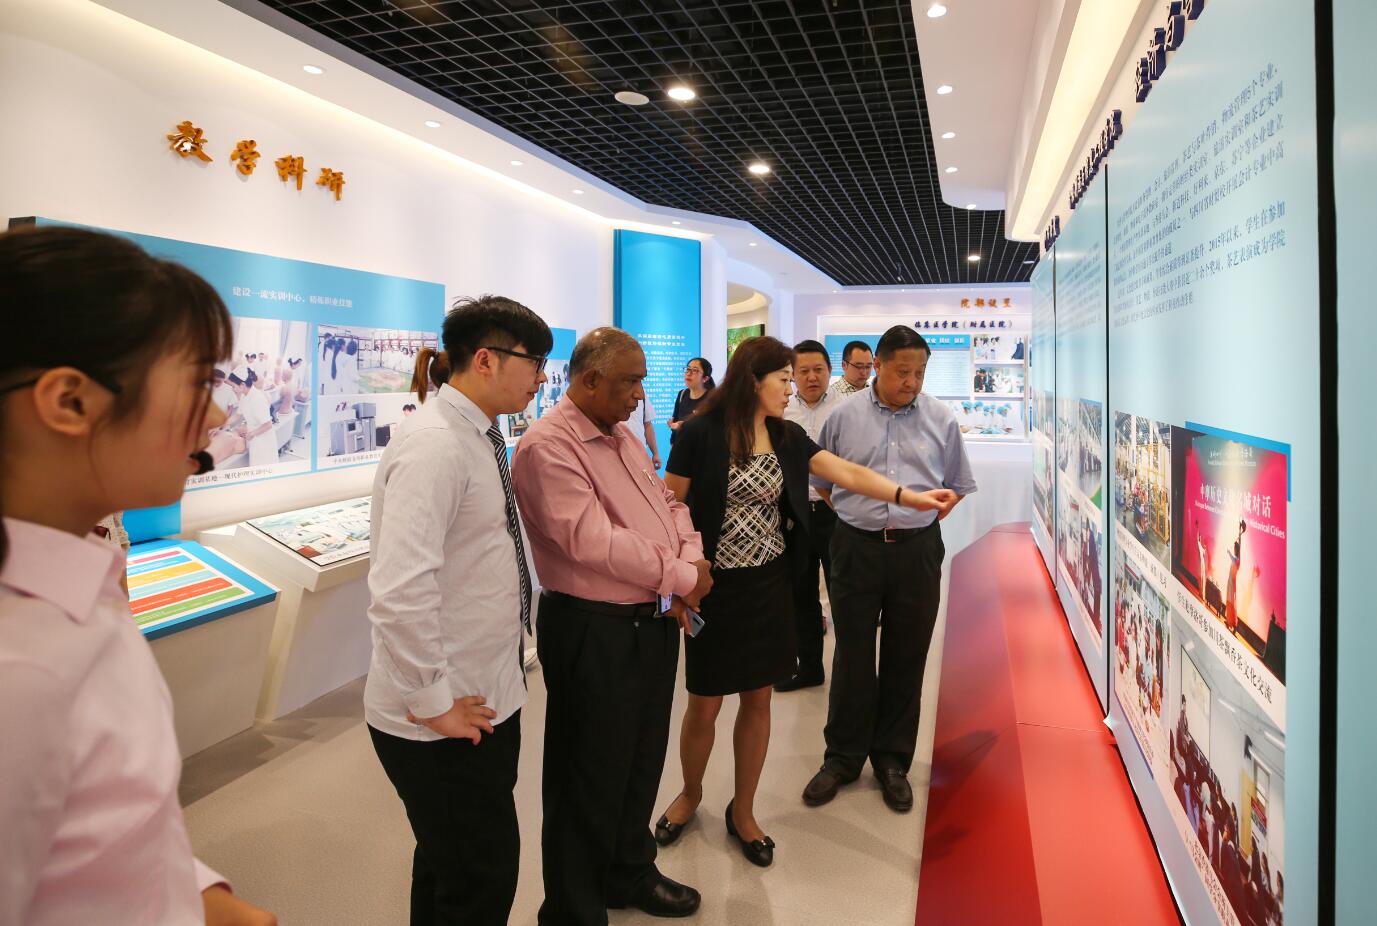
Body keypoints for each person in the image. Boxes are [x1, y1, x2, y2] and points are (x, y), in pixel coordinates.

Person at [0, 225, 276, 925]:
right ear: (70, 402)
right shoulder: (20, 669)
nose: (217, 415)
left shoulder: (80, 587)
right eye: (198, 383)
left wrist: (200, 897)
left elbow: (99, 827)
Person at [653, 337, 956, 868]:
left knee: (759, 700)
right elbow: (670, 506)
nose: (791, 389)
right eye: (783, 379)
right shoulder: (701, 433)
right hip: (712, 590)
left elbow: (847, 473)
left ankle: (744, 810)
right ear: (753, 380)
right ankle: (690, 793)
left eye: (793, 379)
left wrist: (908, 497)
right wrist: (675, 582)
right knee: (704, 702)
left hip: (769, 586)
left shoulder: (786, 436)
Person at [512, 328, 711, 924]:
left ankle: (628, 871)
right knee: (587, 775)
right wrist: (682, 575)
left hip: (650, 622)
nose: (640, 394)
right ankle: (573, 909)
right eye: (630, 381)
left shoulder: (620, 435)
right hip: (593, 629)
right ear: (590, 379)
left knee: (641, 759)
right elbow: (591, 541)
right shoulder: (548, 447)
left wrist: (692, 556)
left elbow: (669, 504)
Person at [365, 295, 551, 926]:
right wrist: (434, 701)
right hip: (442, 717)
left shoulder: (478, 435)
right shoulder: (437, 445)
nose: (540, 377)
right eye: (534, 362)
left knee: (449, 867)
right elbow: (399, 590)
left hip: (483, 690)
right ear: (486, 360)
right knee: (479, 877)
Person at [803, 325, 978, 813]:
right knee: (852, 655)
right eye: (903, 372)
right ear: (877, 365)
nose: (912, 382)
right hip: (855, 549)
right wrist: (856, 517)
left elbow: (958, 484)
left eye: (920, 373)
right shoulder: (843, 417)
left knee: (908, 653)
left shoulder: (941, 418)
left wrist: (922, 518)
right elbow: (823, 482)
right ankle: (842, 757)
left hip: (916, 552)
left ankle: (893, 760)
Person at [777, 339, 842, 691]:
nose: (812, 377)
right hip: (796, 515)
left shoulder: (845, 409)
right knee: (800, 595)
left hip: (836, 514)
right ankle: (809, 668)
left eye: (818, 370)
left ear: (830, 371)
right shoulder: (781, 410)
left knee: (843, 594)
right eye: (803, 371)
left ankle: (848, 672)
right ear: (792, 375)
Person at [228, 366, 276, 467]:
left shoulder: (257, 399)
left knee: (263, 467)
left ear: (242, 385)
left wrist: (252, 433)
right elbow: (237, 415)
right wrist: (220, 425)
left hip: (263, 439)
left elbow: (268, 425)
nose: (233, 389)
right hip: (254, 437)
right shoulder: (244, 396)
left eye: (233, 386)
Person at [667, 356, 713, 442]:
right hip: (682, 445)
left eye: (695, 370)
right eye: (688, 369)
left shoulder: (712, 398)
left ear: (705, 378)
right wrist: (673, 443)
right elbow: (675, 422)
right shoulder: (682, 394)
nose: (688, 373)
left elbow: (713, 428)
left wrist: (684, 426)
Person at [628, 395, 661, 470]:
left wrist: (655, 454)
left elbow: (647, 425)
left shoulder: (641, 395)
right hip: (615, 452)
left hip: (639, 451)